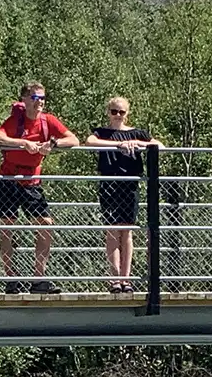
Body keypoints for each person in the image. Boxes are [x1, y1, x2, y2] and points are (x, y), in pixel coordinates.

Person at [0, 82, 79, 293]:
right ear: (24, 99)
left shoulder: (48, 121)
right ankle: (11, 279)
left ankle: (38, 278)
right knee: (7, 227)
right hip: (9, 178)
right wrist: (23, 143)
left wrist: (53, 144)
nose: (39, 102)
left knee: (46, 223)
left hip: (32, 180)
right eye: (35, 98)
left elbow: (73, 139)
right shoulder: (15, 121)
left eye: (42, 98)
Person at [84, 96, 158, 293]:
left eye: (121, 112)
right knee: (111, 229)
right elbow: (90, 141)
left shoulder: (137, 133)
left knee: (127, 230)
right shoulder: (102, 133)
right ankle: (114, 278)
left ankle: (126, 278)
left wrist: (136, 143)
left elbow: (160, 145)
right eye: (114, 111)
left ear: (127, 113)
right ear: (108, 112)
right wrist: (117, 145)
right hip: (109, 184)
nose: (118, 116)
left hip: (130, 185)